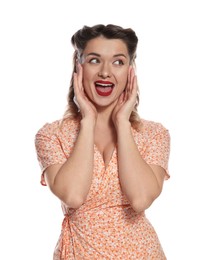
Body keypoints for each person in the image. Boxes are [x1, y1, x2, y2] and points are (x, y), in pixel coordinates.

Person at [35, 24, 170, 260]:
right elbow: (73, 196)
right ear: (78, 67)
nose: (105, 72)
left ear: (130, 70)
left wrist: (122, 122)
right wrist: (87, 120)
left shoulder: (154, 134)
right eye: (95, 60)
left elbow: (140, 199)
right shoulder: (51, 135)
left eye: (118, 62)